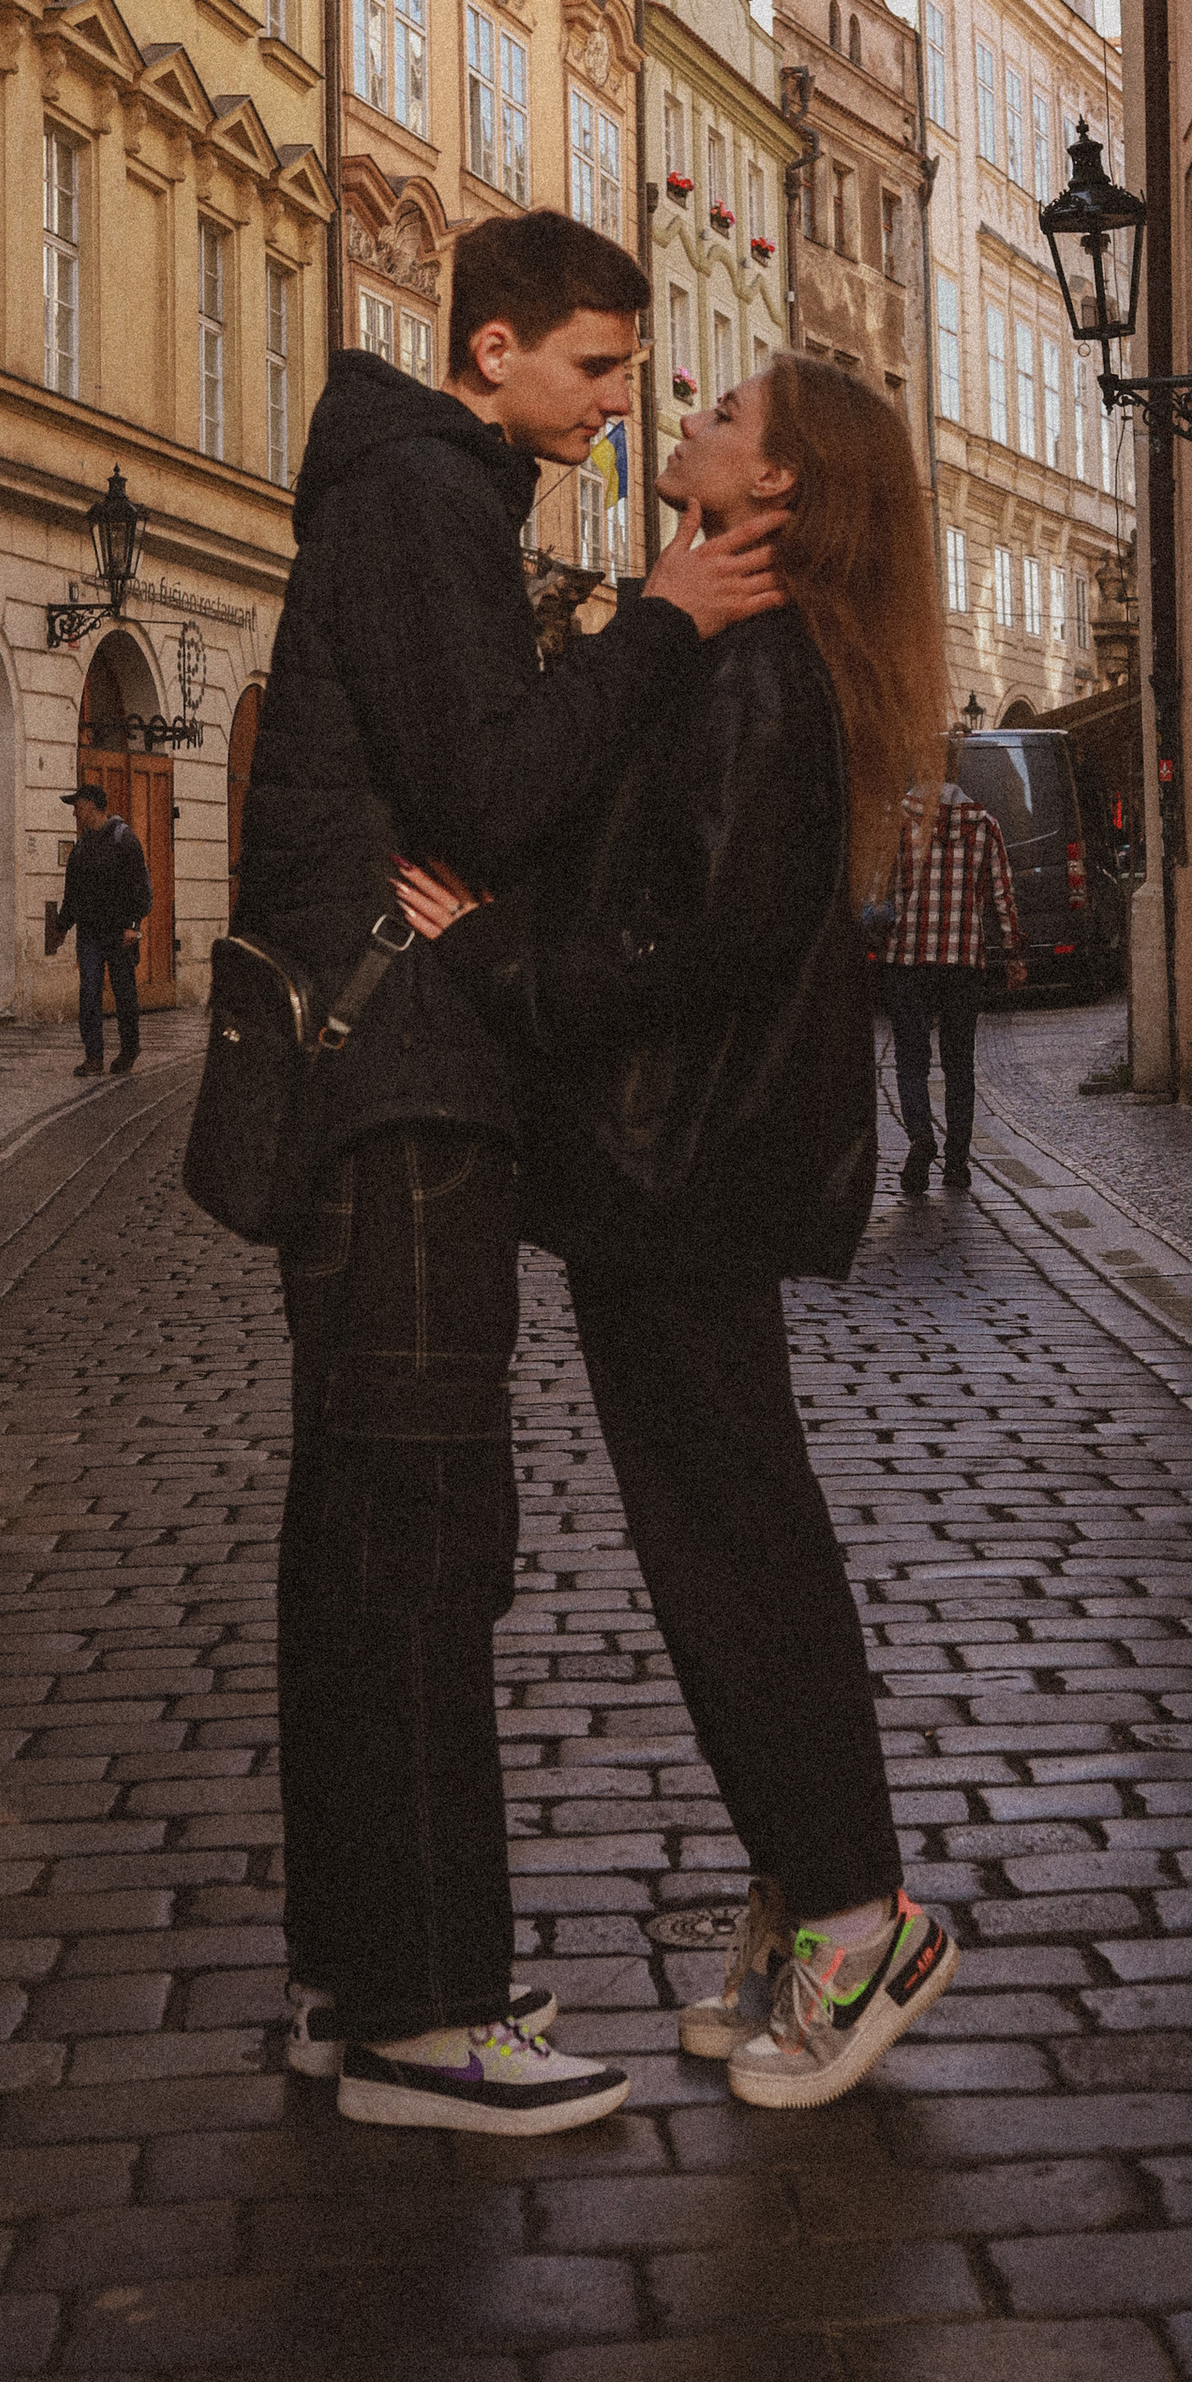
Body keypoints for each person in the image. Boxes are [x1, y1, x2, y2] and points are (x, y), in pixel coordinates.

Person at [234, 207, 785, 2138]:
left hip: (391, 1082)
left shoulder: (424, 491)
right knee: (419, 1533)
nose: (623, 408)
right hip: (399, 1086)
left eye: (633, 375)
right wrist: (665, 628)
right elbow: (486, 790)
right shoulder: (420, 502)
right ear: (491, 350)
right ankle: (426, 2014)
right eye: (597, 371)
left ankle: (356, 1973)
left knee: (363, 1533)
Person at [396, 354, 961, 2113]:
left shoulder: (765, 678)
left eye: (722, 414)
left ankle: (862, 1917)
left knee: (739, 1549)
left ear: (779, 491)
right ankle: (806, 1895)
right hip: (678, 1178)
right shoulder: (740, 658)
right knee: (719, 1542)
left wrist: (497, 957)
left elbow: (695, 941)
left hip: (688, 1177)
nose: (686, 420)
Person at [884, 744, 1022, 1194]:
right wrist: (1014, 954)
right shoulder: (984, 826)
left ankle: (921, 1135)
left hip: (909, 958)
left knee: (911, 1060)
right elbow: (1003, 897)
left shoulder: (899, 822)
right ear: (957, 771)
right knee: (959, 1064)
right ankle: (957, 1164)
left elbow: (874, 892)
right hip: (964, 960)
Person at [53, 784, 151, 1074]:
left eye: (77, 805)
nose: (74, 811)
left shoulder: (125, 840)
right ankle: (93, 1056)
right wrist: (61, 927)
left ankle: (129, 1048)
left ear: (92, 806)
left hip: (120, 933)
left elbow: (141, 889)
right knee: (89, 994)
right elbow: (72, 894)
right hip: (90, 934)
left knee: (124, 994)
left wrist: (133, 925)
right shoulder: (81, 847)